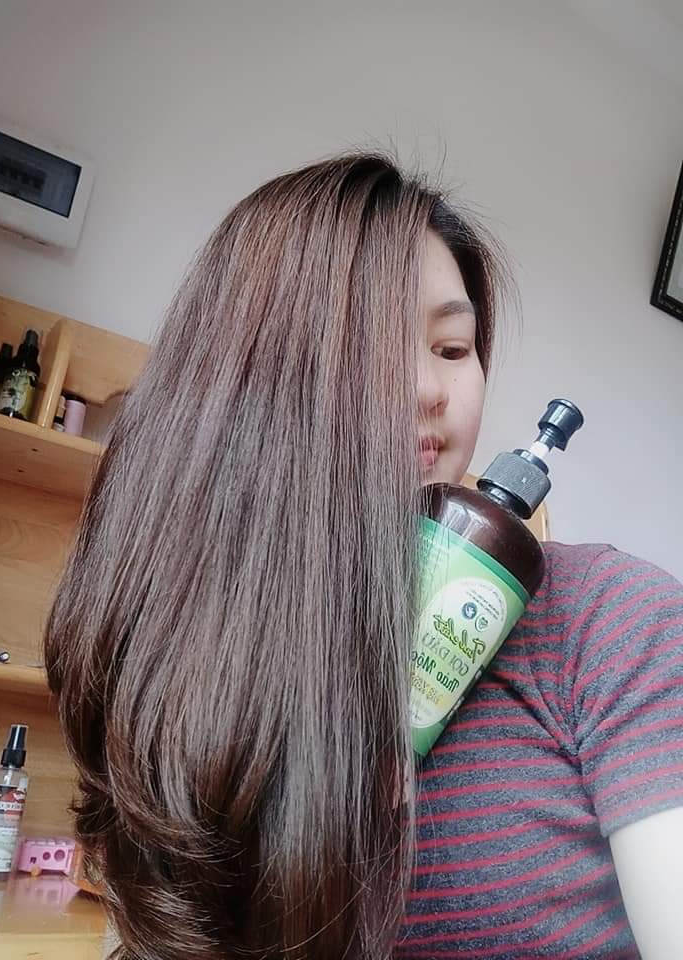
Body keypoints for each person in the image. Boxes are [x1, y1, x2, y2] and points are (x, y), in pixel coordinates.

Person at [44, 154, 683, 960]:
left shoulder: (608, 618)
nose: (428, 388)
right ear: (238, 382)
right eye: (367, 343)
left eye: (452, 347)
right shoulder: (172, 646)